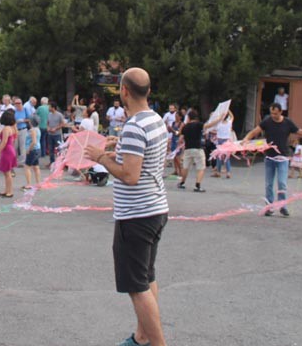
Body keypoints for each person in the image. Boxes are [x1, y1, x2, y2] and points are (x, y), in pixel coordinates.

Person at [83, 68, 169, 346]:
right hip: (156, 209)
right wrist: (118, 145)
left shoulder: (134, 125)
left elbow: (130, 175)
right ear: (148, 91)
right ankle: (141, 336)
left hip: (136, 214)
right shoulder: (155, 119)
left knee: (136, 287)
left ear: (124, 91)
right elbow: (143, 154)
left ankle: (156, 343)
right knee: (147, 276)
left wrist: (101, 158)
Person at [242, 103, 302, 217]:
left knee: (282, 183)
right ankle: (269, 207)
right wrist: (246, 139)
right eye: (271, 113)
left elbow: (299, 131)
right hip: (269, 158)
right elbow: (255, 131)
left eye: (275, 113)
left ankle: (282, 206)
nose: (273, 115)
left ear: (281, 112)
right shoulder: (267, 121)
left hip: (283, 158)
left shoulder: (287, 123)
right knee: (268, 184)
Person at [177, 110, 207, 192]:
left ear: (189, 117)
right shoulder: (199, 124)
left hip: (187, 149)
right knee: (201, 167)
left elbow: (180, 139)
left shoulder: (185, 126)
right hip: (197, 148)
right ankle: (197, 185)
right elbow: (208, 125)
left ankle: (182, 182)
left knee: (185, 167)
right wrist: (219, 118)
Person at [0, 108, 18, 198]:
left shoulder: (6, 128)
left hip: (7, 150)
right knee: (6, 172)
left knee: (7, 172)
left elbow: (4, 142)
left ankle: (10, 191)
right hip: (10, 149)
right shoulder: (12, 128)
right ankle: (7, 190)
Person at [210, 111, 235, 179]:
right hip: (227, 140)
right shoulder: (229, 123)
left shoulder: (219, 123)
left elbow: (213, 130)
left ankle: (218, 172)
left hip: (220, 140)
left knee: (219, 156)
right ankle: (228, 172)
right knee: (227, 157)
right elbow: (232, 116)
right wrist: (228, 110)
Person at [23, 116, 42, 189]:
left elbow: (34, 141)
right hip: (38, 149)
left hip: (33, 150)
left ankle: (28, 184)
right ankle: (38, 183)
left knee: (27, 167)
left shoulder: (32, 130)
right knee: (36, 167)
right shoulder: (37, 129)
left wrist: (28, 149)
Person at [46, 101, 64, 167]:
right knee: (50, 149)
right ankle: (52, 162)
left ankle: (60, 163)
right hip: (50, 134)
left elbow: (63, 124)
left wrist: (55, 128)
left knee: (59, 149)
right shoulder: (49, 114)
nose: (48, 108)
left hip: (57, 134)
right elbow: (47, 123)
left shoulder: (59, 115)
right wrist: (48, 127)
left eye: (50, 107)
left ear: (53, 107)